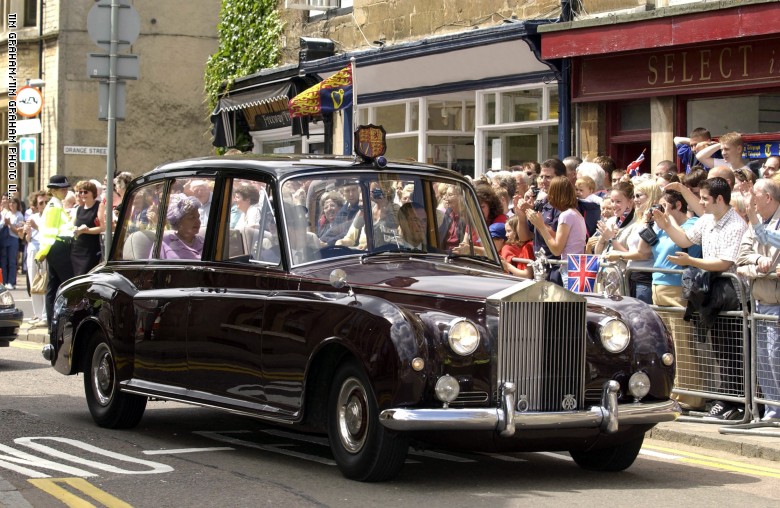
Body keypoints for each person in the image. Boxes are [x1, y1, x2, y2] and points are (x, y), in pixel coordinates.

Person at [654, 177, 748, 420]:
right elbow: (685, 240)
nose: (702, 204)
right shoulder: (707, 219)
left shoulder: (736, 224)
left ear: (719, 199)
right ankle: (725, 401)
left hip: (730, 291)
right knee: (718, 349)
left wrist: (691, 261)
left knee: (732, 350)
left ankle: (734, 404)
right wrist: (666, 226)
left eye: (705, 199)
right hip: (711, 290)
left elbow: (725, 262)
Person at [737, 178, 780, 422]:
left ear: (768, 198)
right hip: (759, 301)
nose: (752, 198)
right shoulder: (756, 224)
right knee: (763, 359)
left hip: (777, 302)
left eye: (756, 194)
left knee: (775, 358)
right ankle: (772, 411)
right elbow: (741, 260)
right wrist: (759, 266)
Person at [526, 176, 587, 285]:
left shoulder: (566, 215)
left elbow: (556, 250)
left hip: (569, 270)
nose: (549, 197)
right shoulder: (576, 214)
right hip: (575, 269)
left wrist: (541, 226)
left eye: (551, 192)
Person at [36, 175, 76, 331]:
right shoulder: (54, 207)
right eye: (62, 189)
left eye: (66, 188)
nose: (65, 191)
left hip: (56, 248)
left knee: (54, 286)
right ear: (53, 190)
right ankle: (68, 318)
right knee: (68, 283)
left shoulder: (56, 205)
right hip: (57, 248)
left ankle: (53, 321)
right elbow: (50, 232)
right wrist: (43, 252)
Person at [23, 191, 48, 323]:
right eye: (41, 203)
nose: (44, 205)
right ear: (36, 205)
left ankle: (44, 315)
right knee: (34, 282)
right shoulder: (32, 216)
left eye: (46, 202)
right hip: (33, 249)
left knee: (44, 281)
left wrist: (36, 227)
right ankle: (37, 314)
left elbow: (47, 233)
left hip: (44, 250)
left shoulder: (48, 217)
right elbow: (27, 238)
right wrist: (28, 232)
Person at [71, 181, 104, 276]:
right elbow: (72, 226)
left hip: (91, 250)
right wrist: (76, 229)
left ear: (93, 193)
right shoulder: (79, 208)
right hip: (77, 249)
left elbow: (102, 227)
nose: (82, 194)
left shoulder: (98, 206)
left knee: (86, 275)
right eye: (80, 192)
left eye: (85, 192)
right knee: (76, 277)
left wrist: (85, 230)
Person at [159, 195, 204, 260]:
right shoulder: (164, 243)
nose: (198, 221)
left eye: (198, 217)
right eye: (192, 218)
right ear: (178, 221)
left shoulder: (204, 242)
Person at [0, 197, 24, 289]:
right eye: (10, 203)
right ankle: (4, 281)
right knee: (4, 261)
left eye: (14, 203)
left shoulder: (19, 215)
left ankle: (11, 282)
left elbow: (18, 232)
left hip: (13, 239)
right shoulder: (6, 213)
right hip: (4, 239)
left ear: (17, 204)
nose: (12, 205)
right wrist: (5, 224)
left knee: (12, 262)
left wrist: (9, 224)